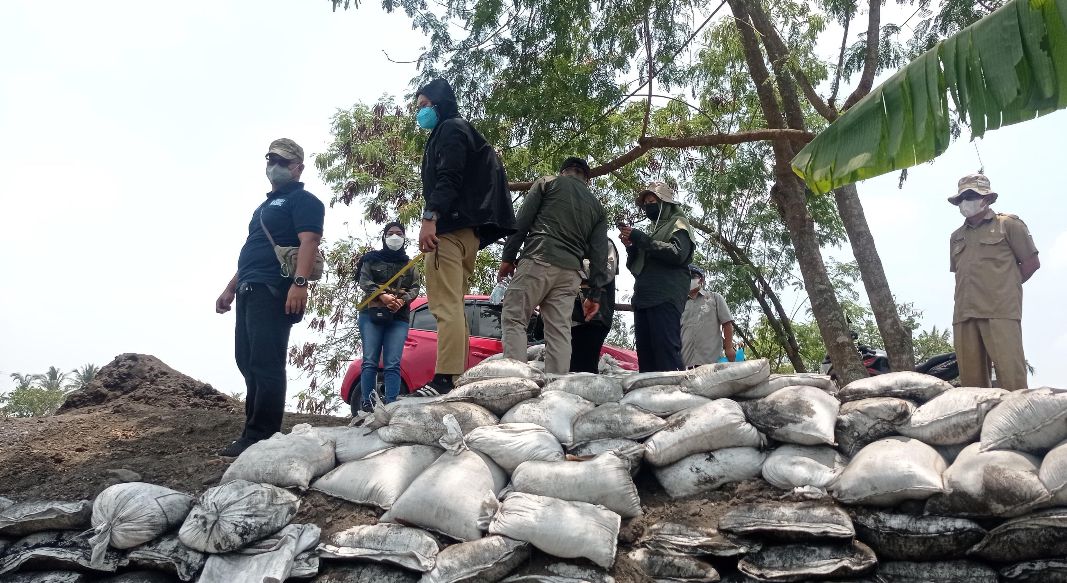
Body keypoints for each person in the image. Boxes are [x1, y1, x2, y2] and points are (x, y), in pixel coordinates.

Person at [215, 138, 324, 457]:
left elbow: (309, 241)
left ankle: (261, 434)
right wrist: (231, 287)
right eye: (270, 160)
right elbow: (254, 250)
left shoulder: (304, 201)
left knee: (266, 362)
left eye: (282, 161)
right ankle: (253, 429)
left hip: (275, 290)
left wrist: (299, 283)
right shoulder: (262, 207)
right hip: (250, 286)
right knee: (246, 359)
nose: (274, 166)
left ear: (298, 168)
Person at [412, 78, 516, 396]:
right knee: (455, 304)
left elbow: (449, 177)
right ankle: (453, 375)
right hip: (467, 236)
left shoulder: (449, 129)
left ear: (439, 105)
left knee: (445, 306)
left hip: (448, 232)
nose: (420, 114)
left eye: (423, 106)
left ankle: (445, 377)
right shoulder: (464, 130)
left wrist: (431, 217)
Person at [498, 157, 609, 374]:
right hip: (570, 274)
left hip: (539, 258)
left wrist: (508, 257)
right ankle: (556, 390)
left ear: (563, 171)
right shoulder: (597, 207)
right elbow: (599, 254)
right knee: (559, 332)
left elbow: (521, 222)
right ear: (587, 179)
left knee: (514, 317)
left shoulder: (547, 183)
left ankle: (516, 380)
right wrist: (595, 295)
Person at [948, 172, 1040, 389]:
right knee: (971, 387)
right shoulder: (956, 236)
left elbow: (1031, 264)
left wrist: (1003, 288)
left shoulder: (1008, 225)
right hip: (964, 314)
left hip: (1000, 312)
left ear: (986, 198)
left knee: (1012, 379)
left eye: (970, 195)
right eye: (961, 198)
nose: (965, 202)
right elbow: (960, 274)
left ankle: (1019, 422)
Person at [619, 182, 694, 372]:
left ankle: (675, 397)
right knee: (646, 356)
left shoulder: (678, 223)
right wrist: (632, 245)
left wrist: (642, 239)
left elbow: (678, 254)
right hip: (644, 299)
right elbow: (638, 267)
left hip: (665, 297)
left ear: (666, 204)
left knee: (665, 351)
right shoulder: (655, 230)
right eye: (645, 203)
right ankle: (650, 399)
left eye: (652, 201)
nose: (648, 206)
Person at [356, 222, 420, 410]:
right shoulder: (371, 259)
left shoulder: (409, 264)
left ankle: (391, 405)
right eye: (390, 233)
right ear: (384, 237)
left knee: (393, 363)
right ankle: (367, 404)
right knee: (369, 361)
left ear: (404, 238)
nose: (394, 237)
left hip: (398, 317)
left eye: (399, 233)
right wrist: (382, 295)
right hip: (371, 313)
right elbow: (364, 280)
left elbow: (416, 287)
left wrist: (402, 300)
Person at [570, 241, 620, 373]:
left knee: (585, 367)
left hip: (595, 317)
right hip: (571, 317)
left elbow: (606, 273)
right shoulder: (572, 242)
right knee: (570, 365)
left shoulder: (605, 244)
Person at [681, 265, 735, 368]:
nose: (689, 279)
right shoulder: (680, 303)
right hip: (686, 364)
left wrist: (729, 348)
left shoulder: (714, 298)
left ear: (702, 279)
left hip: (711, 362)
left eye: (693, 276)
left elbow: (727, 323)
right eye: (686, 276)